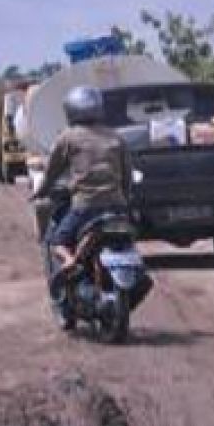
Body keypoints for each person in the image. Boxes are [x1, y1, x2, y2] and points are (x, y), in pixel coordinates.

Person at [31, 86, 131, 297]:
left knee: (57, 240)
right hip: (117, 206)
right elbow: (127, 176)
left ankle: (70, 261)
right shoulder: (116, 137)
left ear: (71, 110)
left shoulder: (68, 138)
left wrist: (40, 192)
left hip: (86, 206)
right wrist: (125, 199)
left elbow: (52, 172)